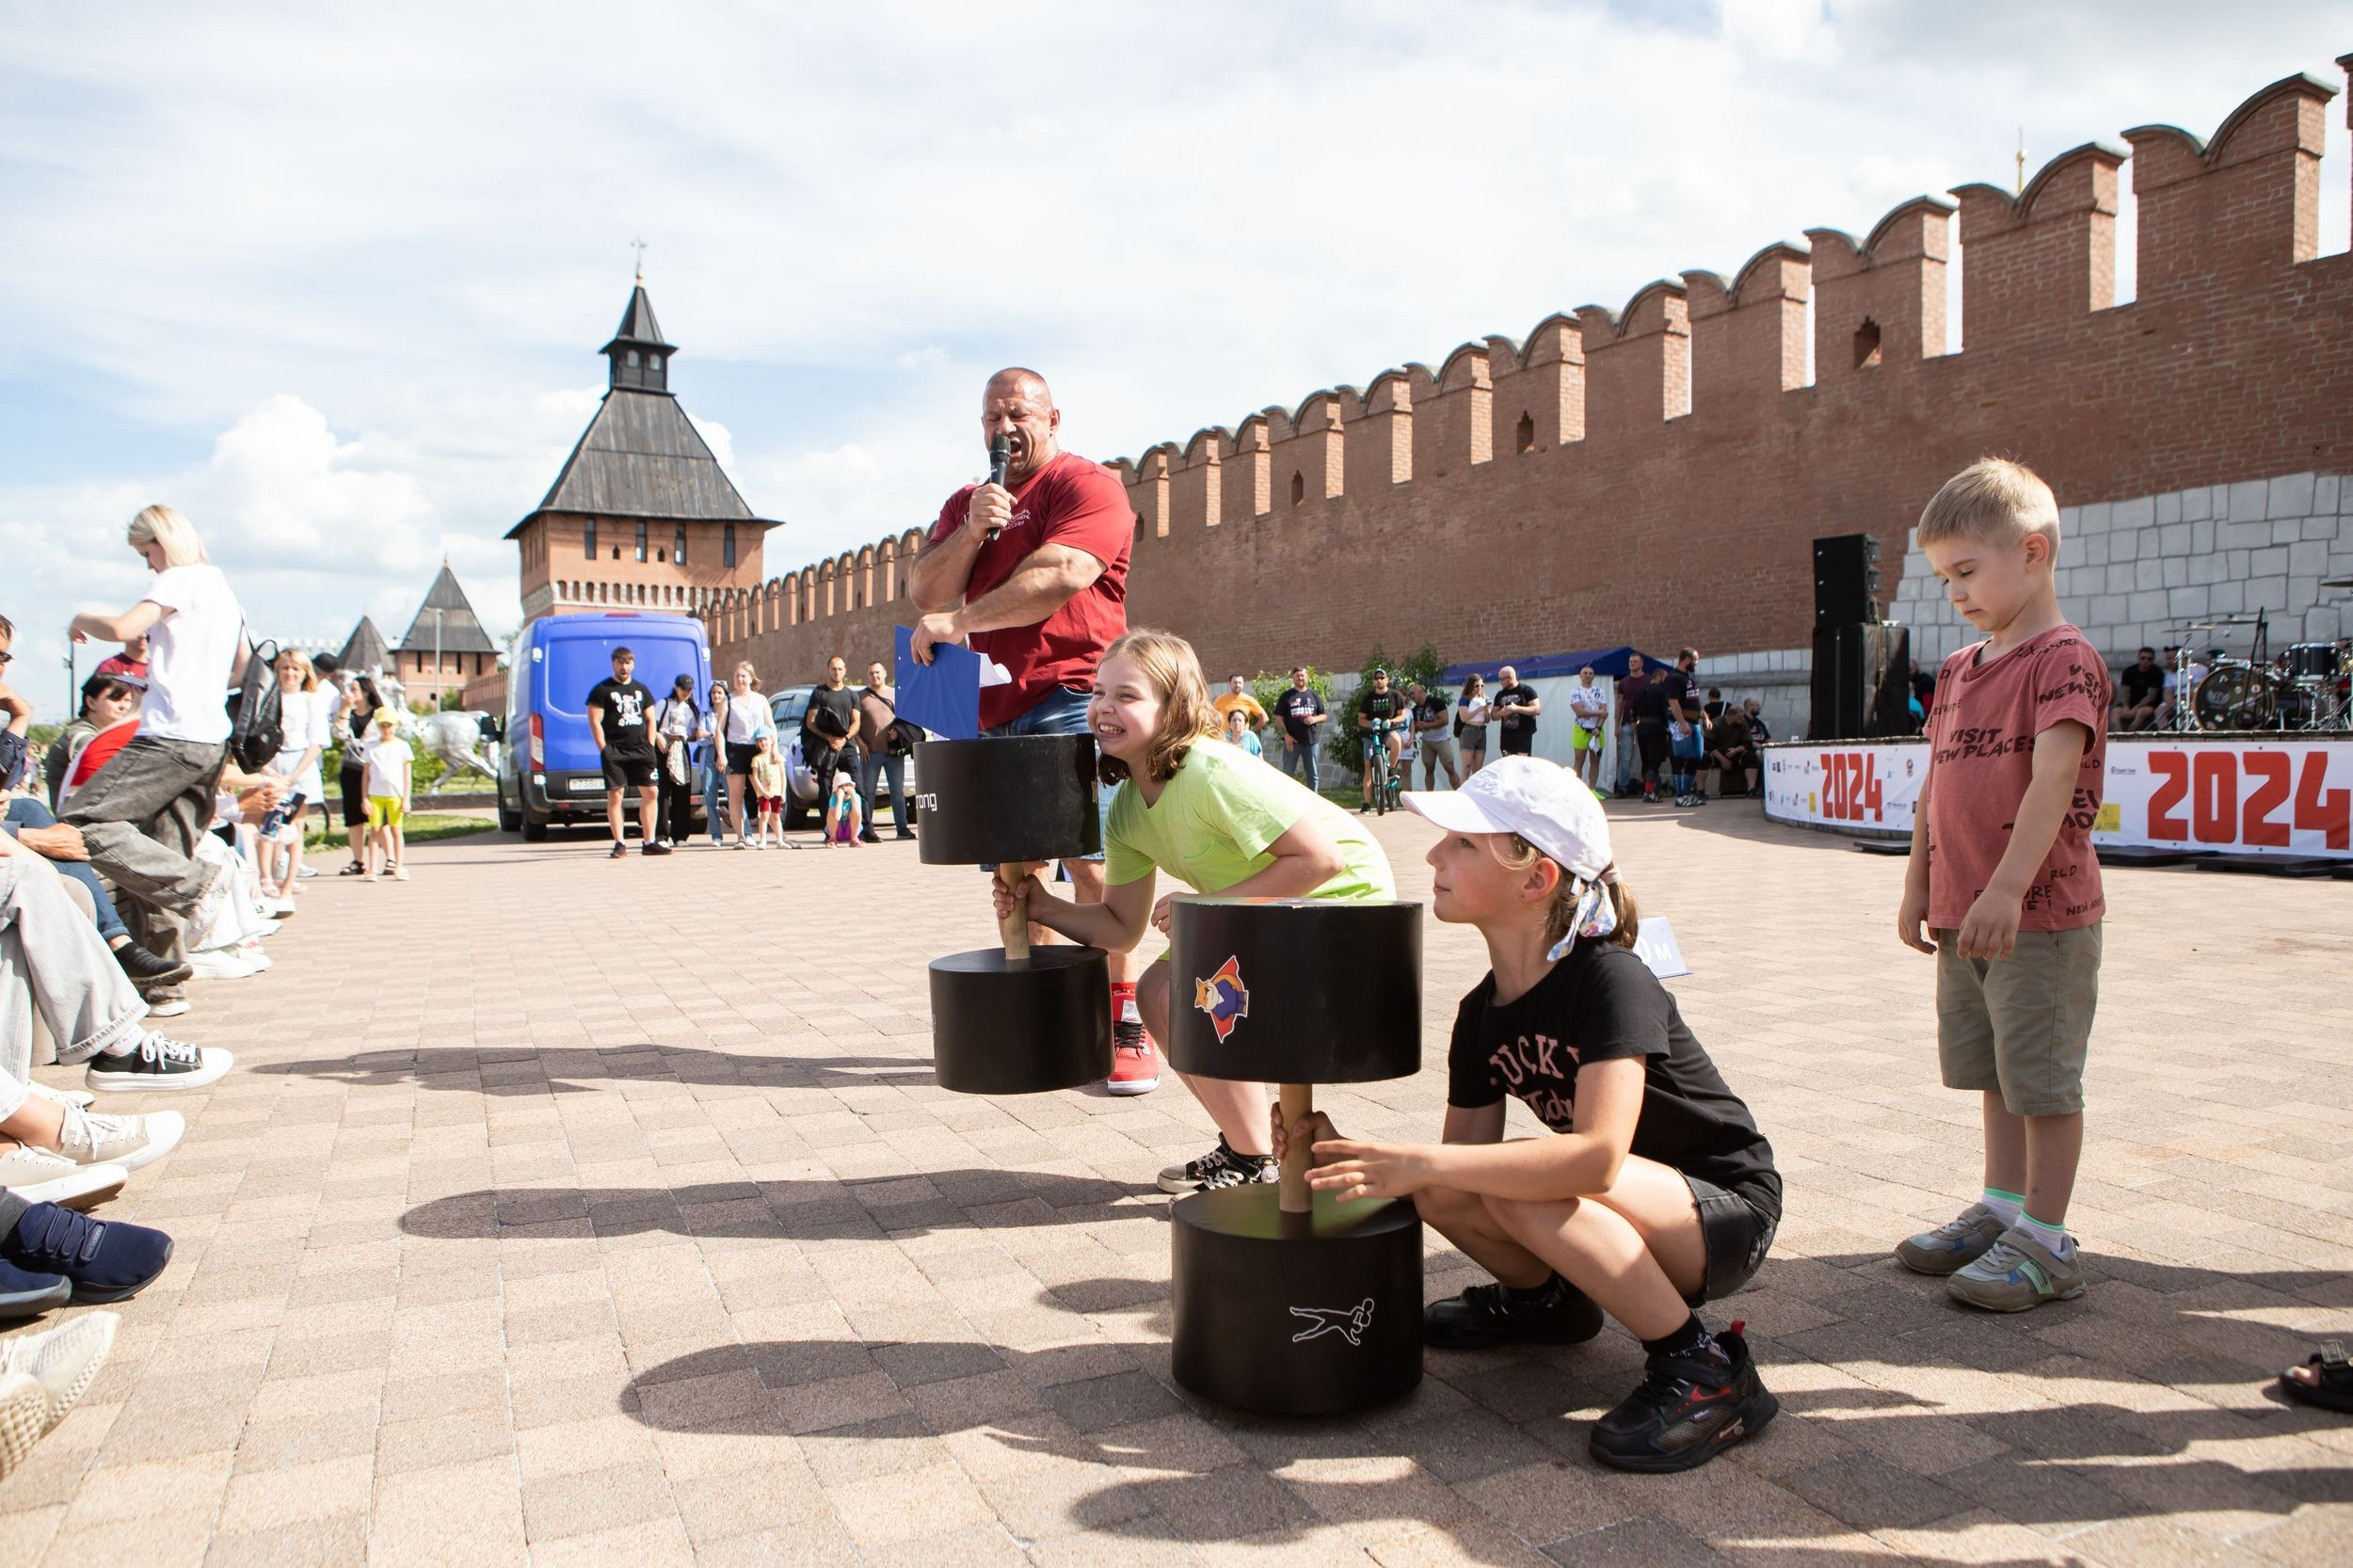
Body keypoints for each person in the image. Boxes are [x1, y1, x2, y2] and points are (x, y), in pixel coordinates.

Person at [1277, 756, 1782, 1473]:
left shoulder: (1611, 978)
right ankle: (1546, 1304)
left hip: (1724, 1210)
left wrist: (1415, 1158)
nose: (1432, 855)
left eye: (1463, 845)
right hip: (1634, 1205)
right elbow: (1455, 1175)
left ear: (1536, 877)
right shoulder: (1479, 1014)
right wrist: (1350, 1152)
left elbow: (1597, 1159)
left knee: (1530, 1187)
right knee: (1450, 1184)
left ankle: (1706, 1367)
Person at [992, 630, 1392, 1192]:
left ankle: (1256, 1158)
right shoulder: (1129, 809)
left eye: (1127, 695)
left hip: (1346, 905)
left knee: (1177, 990)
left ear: (1173, 708)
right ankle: (1253, 1156)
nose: (1104, 706)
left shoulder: (1208, 770)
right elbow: (1121, 928)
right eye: (1098, 691)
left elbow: (1322, 860)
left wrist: (1206, 907)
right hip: (1263, 909)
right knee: (1159, 989)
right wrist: (1043, 904)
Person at [1895, 457, 2107, 1314]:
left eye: (1967, 573)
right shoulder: (1957, 669)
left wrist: (2007, 892)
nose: (1955, 593)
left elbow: (2052, 784)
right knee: (1994, 1073)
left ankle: (2048, 1241)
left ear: (2033, 553)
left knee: (2043, 1081)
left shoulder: (2065, 658)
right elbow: (1936, 786)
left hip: (2038, 915)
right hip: (1965, 912)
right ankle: (2002, 1209)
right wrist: (1920, 885)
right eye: (1945, 577)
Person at [906, 367, 1146, 1092]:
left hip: (1073, 695)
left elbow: (1063, 572)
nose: (1004, 427)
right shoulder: (965, 503)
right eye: (991, 417)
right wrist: (975, 531)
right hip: (990, 709)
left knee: (1090, 860)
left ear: (1052, 418)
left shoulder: (1088, 487)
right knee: (1017, 873)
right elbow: (924, 588)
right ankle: (1039, 1013)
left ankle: (1124, 1017)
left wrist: (963, 620)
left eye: (1018, 413)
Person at [61, 506, 250, 1019]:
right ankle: (165, 986)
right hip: (212, 742)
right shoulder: (223, 591)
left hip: (170, 736)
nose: (148, 566)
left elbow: (124, 624)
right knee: (156, 853)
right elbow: (239, 668)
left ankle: (198, 884)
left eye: (146, 554)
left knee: (82, 820)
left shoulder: (179, 579)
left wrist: (80, 618)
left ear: (162, 543)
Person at [259, 648, 327, 898]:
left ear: (304, 673)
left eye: (295, 669)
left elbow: (317, 742)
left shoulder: (310, 700)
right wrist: (267, 770)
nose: (290, 674)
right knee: (268, 822)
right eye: (285, 668)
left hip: (300, 766)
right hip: (272, 764)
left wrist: (294, 775)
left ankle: (288, 881)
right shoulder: (268, 698)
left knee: (294, 826)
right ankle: (267, 878)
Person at [586, 646, 664, 859]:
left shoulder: (641, 690)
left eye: (628, 662)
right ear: (614, 663)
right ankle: (619, 843)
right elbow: (595, 721)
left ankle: (649, 842)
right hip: (615, 751)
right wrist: (604, 748)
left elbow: (650, 719)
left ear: (633, 665)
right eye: (620, 662)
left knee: (651, 793)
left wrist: (649, 745)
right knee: (616, 794)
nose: (624, 666)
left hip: (641, 750)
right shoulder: (602, 690)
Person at [42, 673, 139, 812]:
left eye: (128, 700)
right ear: (91, 702)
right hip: (77, 822)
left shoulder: (105, 735)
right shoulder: (82, 738)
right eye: (115, 699)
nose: (123, 706)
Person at [801, 655, 863, 842]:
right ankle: (830, 833)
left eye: (840, 669)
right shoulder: (820, 693)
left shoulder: (851, 695)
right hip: (825, 747)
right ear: (828, 670)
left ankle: (860, 831)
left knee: (857, 786)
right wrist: (829, 738)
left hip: (847, 746)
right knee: (826, 790)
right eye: (834, 669)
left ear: (845, 670)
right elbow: (811, 722)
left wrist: (844, 738)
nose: (837, 672)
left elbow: (856, 722)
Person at [856, 661, 917, 843]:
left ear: (884, 674)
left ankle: (902, 828)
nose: (875, 676)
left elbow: (906, 720)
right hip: (871, 752)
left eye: (877, 673)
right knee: (868, 792)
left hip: (893, 752)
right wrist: (860, 743)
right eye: (871, 673)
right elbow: (854, 722)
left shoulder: (894, 694)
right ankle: (867, 829)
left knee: (897, 792)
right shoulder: (860, 697)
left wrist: (898, 732)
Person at [331, 674, 383, 875]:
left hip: (376, 770)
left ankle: (388, 859)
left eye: (354, 689)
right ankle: (358, 860)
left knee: (379, 815)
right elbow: (338, 733)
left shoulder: (380, 714)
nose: (349, 693)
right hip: (352, 769)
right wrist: (345, 708)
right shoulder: (348, 714)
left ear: (366, 692)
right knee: (354, 816)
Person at [718, 663, 770, 847]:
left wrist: (773, 751)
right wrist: (722, 754)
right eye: (736, 676)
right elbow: (719, 730)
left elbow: (770, 726)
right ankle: (741, 836)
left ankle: (766, 835)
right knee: (736, 794)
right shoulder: (728, 701)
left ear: (750, 678)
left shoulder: (760, 700)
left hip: (757, 748)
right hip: (735, 750)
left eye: (743, 676)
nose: (739, 680)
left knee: (763, 793)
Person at [359, 710, 412, 883]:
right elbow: (365, 775)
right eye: (383, 726)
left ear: (395, 726)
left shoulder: (402, 746)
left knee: (396, 829)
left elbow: (407, 776)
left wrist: (406, 798)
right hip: (375, 794)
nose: (386, 729)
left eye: (389, 726)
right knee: (375, 830)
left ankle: (398, 865)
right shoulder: (371, 747)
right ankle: (372, 867)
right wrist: (364, 798)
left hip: (395, 794)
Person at [652, 675, 702, 849]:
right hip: (664, 748)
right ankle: (661, 834)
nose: (686, 693)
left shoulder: (690, 708)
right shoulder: (664, 704)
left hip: (681, 749)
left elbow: (695, 732)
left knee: (682, 790)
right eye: (683, 689)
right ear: (676, 688)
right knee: (663, 792)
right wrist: (659, 736)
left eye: (689, 690)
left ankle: (680, 834)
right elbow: (651, 726)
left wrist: (690, 735)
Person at [1355, 668, 1409, 811]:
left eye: (1382, 677)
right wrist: (1371, 723)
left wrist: (1390, 721)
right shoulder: (1368, 698)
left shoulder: (1395, 695)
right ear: (1373, 681)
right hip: (1370, 735)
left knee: (1396, 741)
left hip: (1387, 731)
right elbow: (1361, 719)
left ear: (1387, 679)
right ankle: (1366, 803)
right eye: (1376, 678)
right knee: (1368, 766)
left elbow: (1402, 716)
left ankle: (1391, 769)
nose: (1379, 680)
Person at [1660, 648, 1707, 808]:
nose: (1697, 663)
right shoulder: (1673, 678)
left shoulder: (1689, 678)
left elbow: (1696, 699)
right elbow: (1673, 702)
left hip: (1694, 722)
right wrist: (1681, 723)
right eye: (1695, 660)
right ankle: (1680, 796)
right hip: (1680, 723)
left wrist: (1705, 717)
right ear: (1687, 659)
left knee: (1696, 757)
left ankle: (1687, 793)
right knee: (1680, 759)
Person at [1273, 667, 1328, 793]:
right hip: (1292, 743)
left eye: (1302, 675)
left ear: (1307, 677)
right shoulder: (1287, 696)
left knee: (1312, 775)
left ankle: (1313, 802)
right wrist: (1286, 735)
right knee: (1288, 774)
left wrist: (1314, 719)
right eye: (1297, 676)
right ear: (1293, 677)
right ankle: (1288, 802)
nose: (1300, 678)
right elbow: (1278, 717)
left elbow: (1324, 715)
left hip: (1311, 742)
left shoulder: (1313, 695)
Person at [1566, 666, 1609, 793]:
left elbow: (1604, 713)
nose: (1588, 675)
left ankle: (1592, 789)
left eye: (1591, 673)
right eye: (1585, 673)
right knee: (1579, 760)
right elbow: (1579, 712)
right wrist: (1598, 712)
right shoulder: (1576, 691)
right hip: (1581, 729)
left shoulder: (1599, 691)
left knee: (1595, 761)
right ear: (1580, 675)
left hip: (1596, 730)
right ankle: (1577, 790)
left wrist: (1598, 727)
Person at [700, 680, 733, 847]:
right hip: (708, 756)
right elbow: (699, 734)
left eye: (720, 693)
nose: (717, 696)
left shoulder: (731, 714)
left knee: (734, 794)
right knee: (709, 795)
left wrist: (711, 735)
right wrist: (713, 736)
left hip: (727, 756)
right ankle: (716, 835)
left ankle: (745, 833)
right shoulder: (706, 715)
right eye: (714, 693)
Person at [1409, 680, 1459, 790]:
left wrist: (1427, 725)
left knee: (1449, 767)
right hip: (1427, 741)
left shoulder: (1436, 702)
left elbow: (1445, 720)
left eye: (1413, 693)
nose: (1411, 696)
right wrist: (1417, 727)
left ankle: (1459, 791)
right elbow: (1414, 728)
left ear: (1420, 692)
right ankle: (1430, 794)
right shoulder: (1415, 710)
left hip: (1442, 740)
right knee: (1429, 768)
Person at [1614, 654, 1650, 796]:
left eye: (1635, 661)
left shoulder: (1648, 680)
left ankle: (1648, 787)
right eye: (1630, 661)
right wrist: (1616, 724)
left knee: (1646, 757)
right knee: (1625, 757)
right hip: (1627, 724)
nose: (1632, 663)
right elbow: (1619, 704)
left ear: (1642, 663)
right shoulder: (1624, 682)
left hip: (1645, 724)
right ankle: (1622, 787)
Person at [1704, 702, 1754, 799]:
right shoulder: (1715, 724)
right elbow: (1709, 745)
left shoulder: (1743, 724)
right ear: (1732, 717)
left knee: (1751, 757)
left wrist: (1736, 750)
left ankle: (1751, 790)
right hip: (1717, 754)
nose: (1742, 720)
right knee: (1703, 758)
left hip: (1735, 753)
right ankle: (1700, 791)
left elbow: (1747, 743)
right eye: (1740, 718)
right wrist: (1722, 759)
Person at [748, 733, 789, 850]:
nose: (763, 742)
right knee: (764, 815)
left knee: (776, 816)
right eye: (760, 740)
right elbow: (755, 777)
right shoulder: (757, 759)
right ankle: (763, 840)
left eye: (765, 739)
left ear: (771, 741)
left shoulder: (778, 758)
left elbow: (783, 776)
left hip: (776, 791)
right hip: (763, 792)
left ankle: (780, 839)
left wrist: (783, 792)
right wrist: (762, 791)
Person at [1491, 665, 1540, 759]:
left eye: (1502, 679)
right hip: (1506, 737)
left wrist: (1516, 708)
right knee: (1507, 765)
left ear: (1510, 678)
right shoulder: (1500, 694)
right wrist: (1502, 712)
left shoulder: (1526, 690)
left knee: (1522, 765)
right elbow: (1493, 716)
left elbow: (1537, 709)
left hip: (1523, 735)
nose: (1500, 682)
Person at [2112, 647, 2163, 732]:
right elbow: (2125, 691)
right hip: (2130, 702)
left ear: (2153, 660)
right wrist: (2126, 706)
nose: (2146, 661)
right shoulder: (2129, 671)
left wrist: (2136, 708)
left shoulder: (2157, 673)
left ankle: (2131, 734)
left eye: (2149, 659)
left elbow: (2152, 696)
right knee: (2115, 712)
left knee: (2141, 713)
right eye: (2143, 658)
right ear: (2138, 658)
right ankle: (2118, 734)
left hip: (2149, 704)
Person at [1456, 674, 1491, 779]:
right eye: (1477, 686)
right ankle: (1462, 792)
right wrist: (1478, 710)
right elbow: (1464, 717)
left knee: (1478, 769)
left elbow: (1488, 720)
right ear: (1471, 686)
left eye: (1481, 685)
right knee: (1466, 767)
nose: (1479, 688)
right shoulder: (1465, 699)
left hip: (1481, 731)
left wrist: (1486, 712)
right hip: (1469, 731)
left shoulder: (1485, 699)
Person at [1212, 674, 1267, 739]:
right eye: (1235, 682)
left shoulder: (1249, 700)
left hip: (1243, 738)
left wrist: (1252, 732)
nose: (1237, 685)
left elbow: (1264, 718)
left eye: (1240, 683)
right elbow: (1212, 718)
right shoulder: (1220, 700)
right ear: (1230, 684)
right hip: (1225, 738)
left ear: (1243, 684)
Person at [823, 760, 863, 848]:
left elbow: (858, 814)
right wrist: (840, 799)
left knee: (857, 811)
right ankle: (832, 839)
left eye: (847, 785)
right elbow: (837, 817)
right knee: (831, 811)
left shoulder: (856, 797)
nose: (845, 789)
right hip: (837, 830)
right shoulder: (834, 798)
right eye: (841, 786)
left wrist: (852, 795)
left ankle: (854, 839)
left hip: (851, 830)